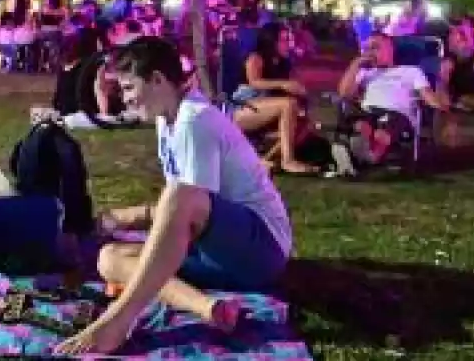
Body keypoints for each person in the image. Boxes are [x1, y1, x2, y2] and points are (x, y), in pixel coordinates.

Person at [54, 36, 291, 355]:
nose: (125, 99)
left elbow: (189, 204)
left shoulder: (195, 120)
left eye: (128, 88)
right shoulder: (168, 119)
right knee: (109, 258)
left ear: (157, 80)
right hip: (221, 254)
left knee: (178, 200)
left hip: (261, 250)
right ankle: (209, 307)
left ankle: (118, 321)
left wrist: (134, 220)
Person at [335, 32, 448, 163]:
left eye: (375, 47)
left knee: (380, 133)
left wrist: (442, 87)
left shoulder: (411, 71)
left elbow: (430, 98)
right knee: (360, 124)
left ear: (390, 49)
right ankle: (361, 155)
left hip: (397, 114)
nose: (370, 53)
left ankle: (365, 157)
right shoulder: (365, 73)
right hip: (368, 112)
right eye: (367, 48)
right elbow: (344, 93)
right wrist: (355, 64)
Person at [230, 22, 318, 174]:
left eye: (290, 39)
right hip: (242, 109)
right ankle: (288, 161)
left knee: (305, 124)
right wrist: (283, 84)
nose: (289, 44)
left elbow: (292, 87)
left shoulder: (284, 63)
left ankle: (265, 160)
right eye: (284, 40)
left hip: (268, 110)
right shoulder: (256, 57)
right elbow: (254, 82)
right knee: (287, 104)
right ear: (272, 41)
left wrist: (299, 91)